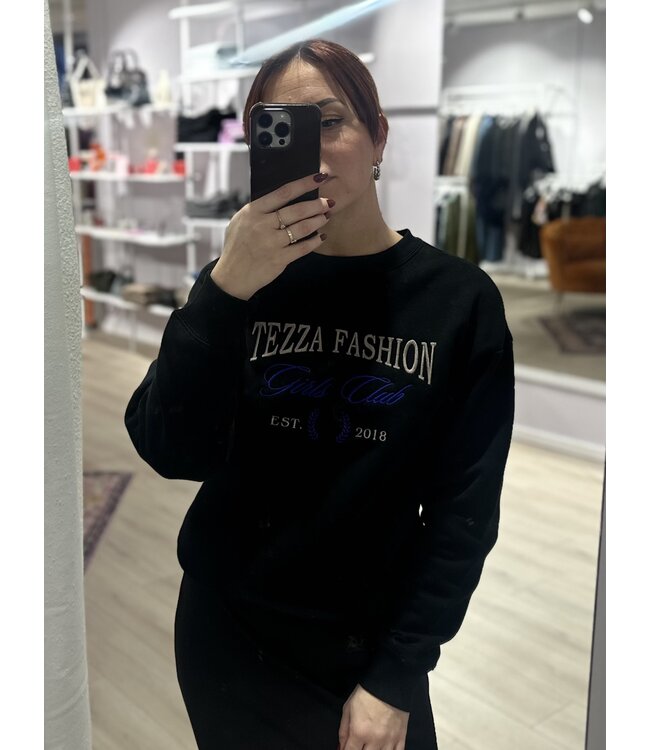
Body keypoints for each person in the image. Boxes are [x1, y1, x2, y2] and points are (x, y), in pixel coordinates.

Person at [125, 38, 515, 750]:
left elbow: (463, 512)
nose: (311, 152)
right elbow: (169, 449)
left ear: (378, 137)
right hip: (227, 636)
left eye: (329, 122)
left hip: (365, 645)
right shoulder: (236, 281)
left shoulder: (457, 303)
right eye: (280, 130)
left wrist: (397, 674)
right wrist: (223, 292)